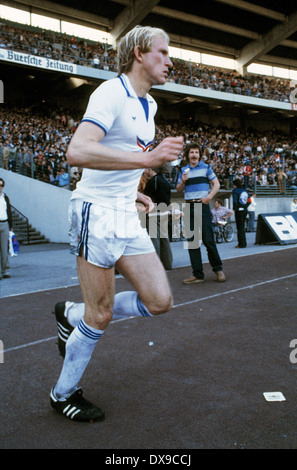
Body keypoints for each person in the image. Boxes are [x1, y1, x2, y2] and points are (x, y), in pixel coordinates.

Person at [49, 25, 184, 422]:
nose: (170, 60)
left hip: (123, 209)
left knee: (160, 301)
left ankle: (69, 314)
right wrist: (148, 160)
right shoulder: (111, 92)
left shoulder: (150, 106)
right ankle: (63, 393)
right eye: (163, 52)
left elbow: (124, 155)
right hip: (96, 210)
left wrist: (135, 189)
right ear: (140, 53)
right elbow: (77, 151)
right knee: (102, 314)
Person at [176, 143, 225, 284]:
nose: (194, 155)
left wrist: (209, 197)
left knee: (208, 239)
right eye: (191, 152)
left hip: (202, 206)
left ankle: (218, 269)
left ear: (199, 155)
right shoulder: (183, 170)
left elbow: (217, 184)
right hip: (189, 206)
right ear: (187, 155)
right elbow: (178, 189)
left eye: (196, 152)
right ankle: (197, 274)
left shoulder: (206, 168)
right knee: (192, 242)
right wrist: (183, 182)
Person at [143, 167, 173, 270]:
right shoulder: (165, 181)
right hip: (164, 212)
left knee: (154, 239)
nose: (145, 171)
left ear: (151, 169)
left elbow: (146, 199)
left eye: (146, 169)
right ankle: (168, 263)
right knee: (164, 239)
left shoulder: (152, 182)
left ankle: (156, 266)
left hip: (154, 213)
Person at [0, 178, 13, 279]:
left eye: (1, 185)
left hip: (4, 224)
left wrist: (11, 226)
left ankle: (5, 270)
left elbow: (9, 211)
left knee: (4, 249)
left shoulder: (5, 197)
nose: (0, 187)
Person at [232, 178, 249, 248]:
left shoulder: (235, 191)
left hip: (239, 210)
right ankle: (244, 242)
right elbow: (249, 200)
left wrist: (235, 208)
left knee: (239, 228)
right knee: (242, 226)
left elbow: (235, 201)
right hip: (245, 210)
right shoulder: (245, 191)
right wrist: (245, 206)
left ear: (235, 185)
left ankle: (241, 244)